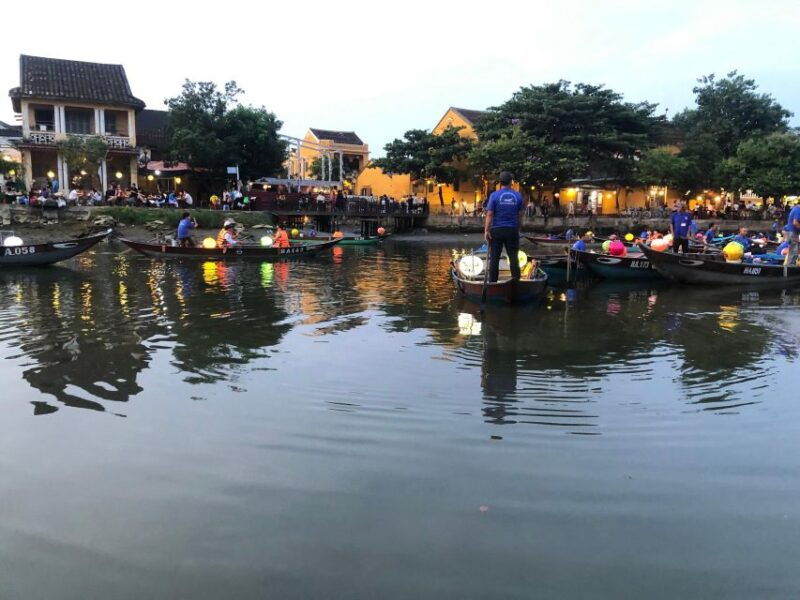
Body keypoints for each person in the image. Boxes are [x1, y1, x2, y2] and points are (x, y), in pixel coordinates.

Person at [484, 171, 524, 282]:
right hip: (512, 230)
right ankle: (516, 282)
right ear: (511, 182)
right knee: (513, 257)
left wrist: (486, 231)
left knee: (494, 258)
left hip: (496, 230)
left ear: (500, 182)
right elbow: (520, 215)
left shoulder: (494, 195)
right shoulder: (518, 195)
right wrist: (519, 228)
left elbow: (489, 214)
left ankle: (493, 282)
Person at [784, 203, 800, 270]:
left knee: (792, 249)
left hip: (790, 232)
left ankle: (789, 265)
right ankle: (790, 267)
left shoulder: (795, 209)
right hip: (792, 232)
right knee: (794, 250)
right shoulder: (798, 210)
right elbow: (795, 222)